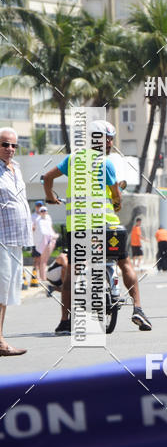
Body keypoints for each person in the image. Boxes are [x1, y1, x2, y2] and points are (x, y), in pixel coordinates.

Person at [44, 119, 152, 333]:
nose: (111, 142)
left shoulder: (72, 159)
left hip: (79, 229)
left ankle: (65, 321)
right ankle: (138, 309)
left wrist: (50, 197)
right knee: (125, 263)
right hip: (107, 227)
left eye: (112, 138)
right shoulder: (105, 163)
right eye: (107, 138)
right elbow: (115, 193)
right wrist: (117, 203)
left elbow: (47, 177)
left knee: (72, 272)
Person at [0, 127, 32, 355]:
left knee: (6, 293)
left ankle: (0, 339)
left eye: (13, 145)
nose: (10, 149)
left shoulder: (16, 169)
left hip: (16, 239)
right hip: (1, 238)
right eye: (4, 144)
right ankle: (0, 343)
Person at [32, 205, 57, 282]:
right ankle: (40, 277)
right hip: (40, 242)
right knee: (39, 260)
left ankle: (42, 277)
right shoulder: (37, 219)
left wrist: (54, 236)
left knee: (44, 260)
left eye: (44, 210)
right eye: (41, 211)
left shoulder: (48, 219)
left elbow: (50, 229)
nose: (43, 212)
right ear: (39, 211)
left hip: (49, 241)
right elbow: (36, 230)